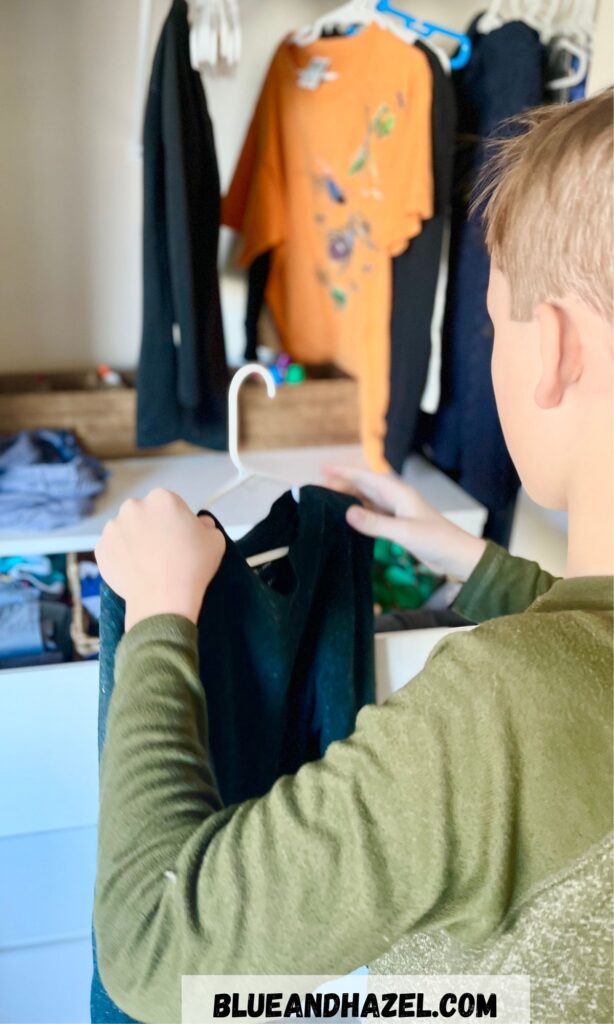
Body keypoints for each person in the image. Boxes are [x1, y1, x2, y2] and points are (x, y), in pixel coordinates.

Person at [94, 90, 613, 1024]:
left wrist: (158, 619)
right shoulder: (544, 698)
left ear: (559, 349)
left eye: (494, 325)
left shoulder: (494, 716)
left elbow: (154, 946)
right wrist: (475, 560)